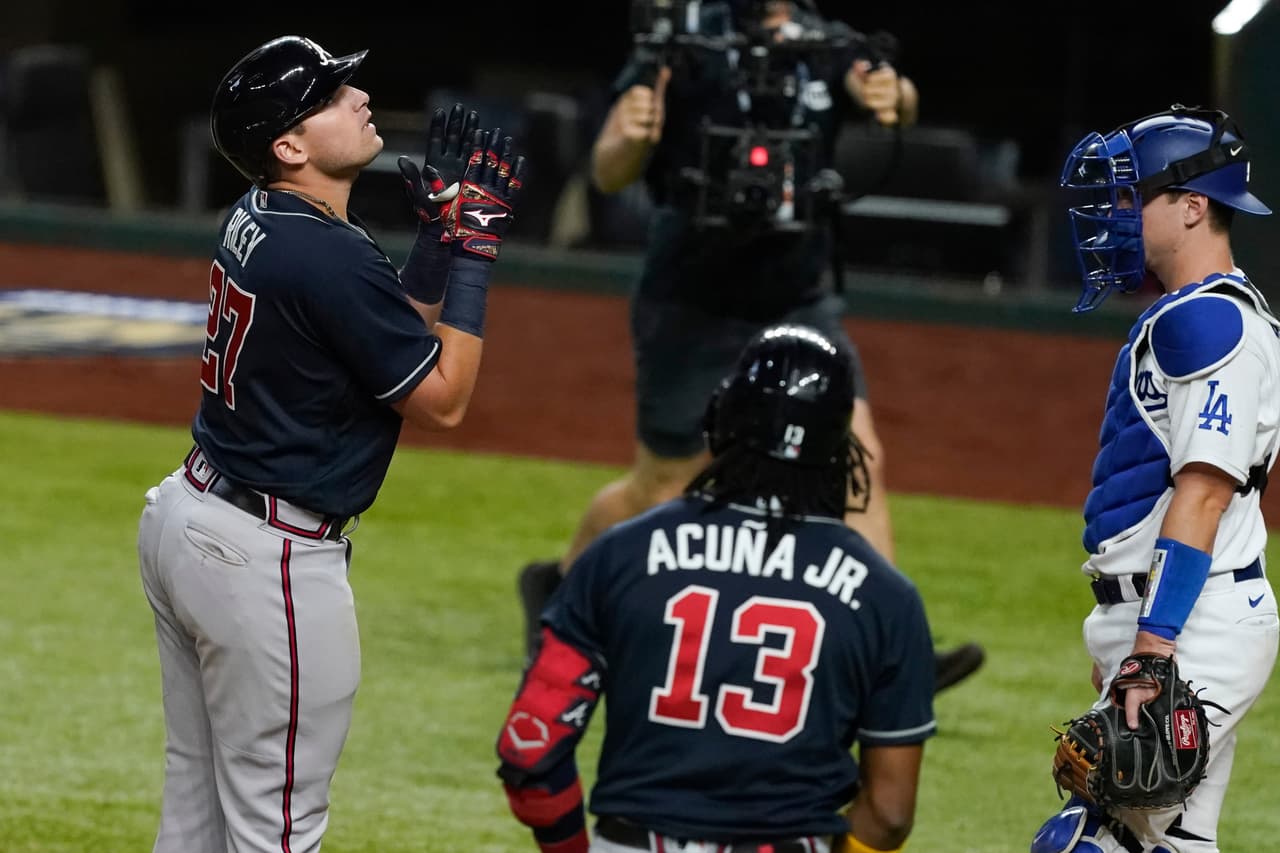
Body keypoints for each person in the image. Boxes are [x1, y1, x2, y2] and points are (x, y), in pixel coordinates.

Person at [517, 0, 984, 693]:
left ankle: (889, 656)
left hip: (798, 292)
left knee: (857, 460)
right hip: (692, 296)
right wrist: (634, 136)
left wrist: (894, 93)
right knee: (663, 482)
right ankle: (557, 590)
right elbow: (610, 169)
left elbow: (891, 94)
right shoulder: (683, 41)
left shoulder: (824, 42)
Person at [135, 35, 525, 852]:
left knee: (197, 811)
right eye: (332, 96)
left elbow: (381, 334)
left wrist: (437, 242)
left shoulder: (265, 215)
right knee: (279, 827)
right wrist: (477, 251)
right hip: (263, 556)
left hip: (193, 516)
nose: (359, 97)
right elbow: (443, 399)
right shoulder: (323, 252)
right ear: (290, 146)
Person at [496, 323, 935, 853]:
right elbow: (889, 813)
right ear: (842, 449)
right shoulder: (886, 596)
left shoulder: (620, 554)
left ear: (722, 421)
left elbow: (531, 752)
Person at [1032, 105, 1280, 853]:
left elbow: (1204, 492)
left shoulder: (1213, 324)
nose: (1117, 215)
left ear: (1194, 206)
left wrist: (1149, 645)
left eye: (1133, 196)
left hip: (1192, 625)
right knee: (1176, 844)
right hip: (1177, 618)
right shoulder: (1193, 316)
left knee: (1084, 843)